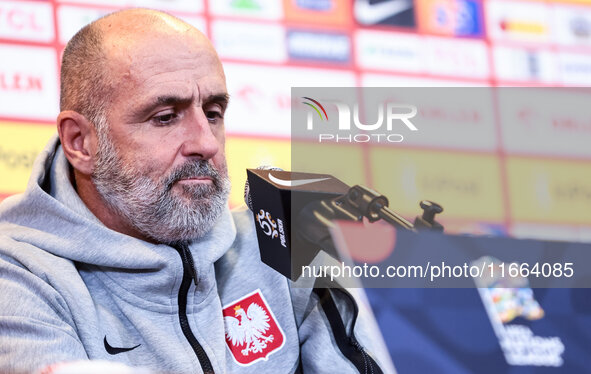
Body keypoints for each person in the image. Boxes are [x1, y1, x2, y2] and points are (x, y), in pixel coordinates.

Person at [0, 9, 385, 374]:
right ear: (80, 142)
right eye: (165, 117)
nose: (206, 143)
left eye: (214, 113)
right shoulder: (16, 272)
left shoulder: (283, 238)